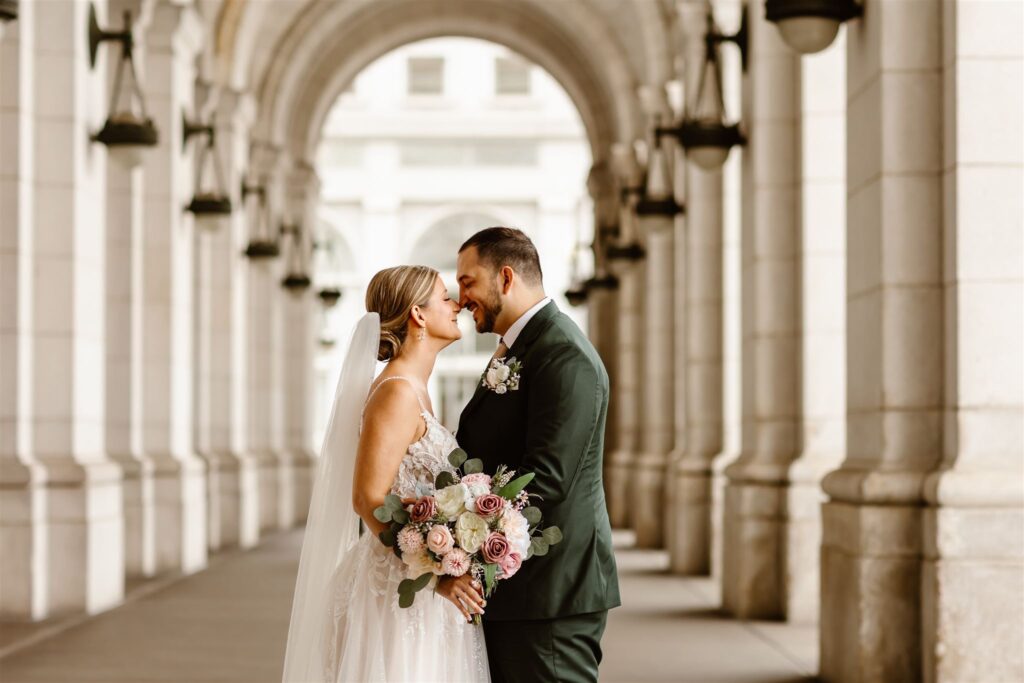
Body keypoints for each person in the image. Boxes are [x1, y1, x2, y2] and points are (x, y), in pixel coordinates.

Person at [282, 265, 490, 683]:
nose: (457, 306)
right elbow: (367, 499)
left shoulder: (413, 389)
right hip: (395, 593)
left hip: (418, 583)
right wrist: (435, 572)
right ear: (418, 314)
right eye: (445, 298)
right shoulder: (396, 393)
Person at [456, 227, 620, 683]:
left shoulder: (563, 353)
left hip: (551, 592)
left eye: (468, 282)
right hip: (520, 590)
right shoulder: (522, 347)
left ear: (505, 277)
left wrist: (463, 543)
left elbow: (546, 480)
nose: (461, 296)